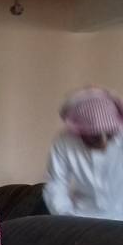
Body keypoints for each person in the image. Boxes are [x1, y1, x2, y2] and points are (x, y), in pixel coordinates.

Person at [43, 87, 123, 220]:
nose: (103, 142)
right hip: (82, 220)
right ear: (78, 132)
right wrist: (65, 215)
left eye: (109, 135)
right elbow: (56, 183)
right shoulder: (65, 142)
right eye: (94, 137)